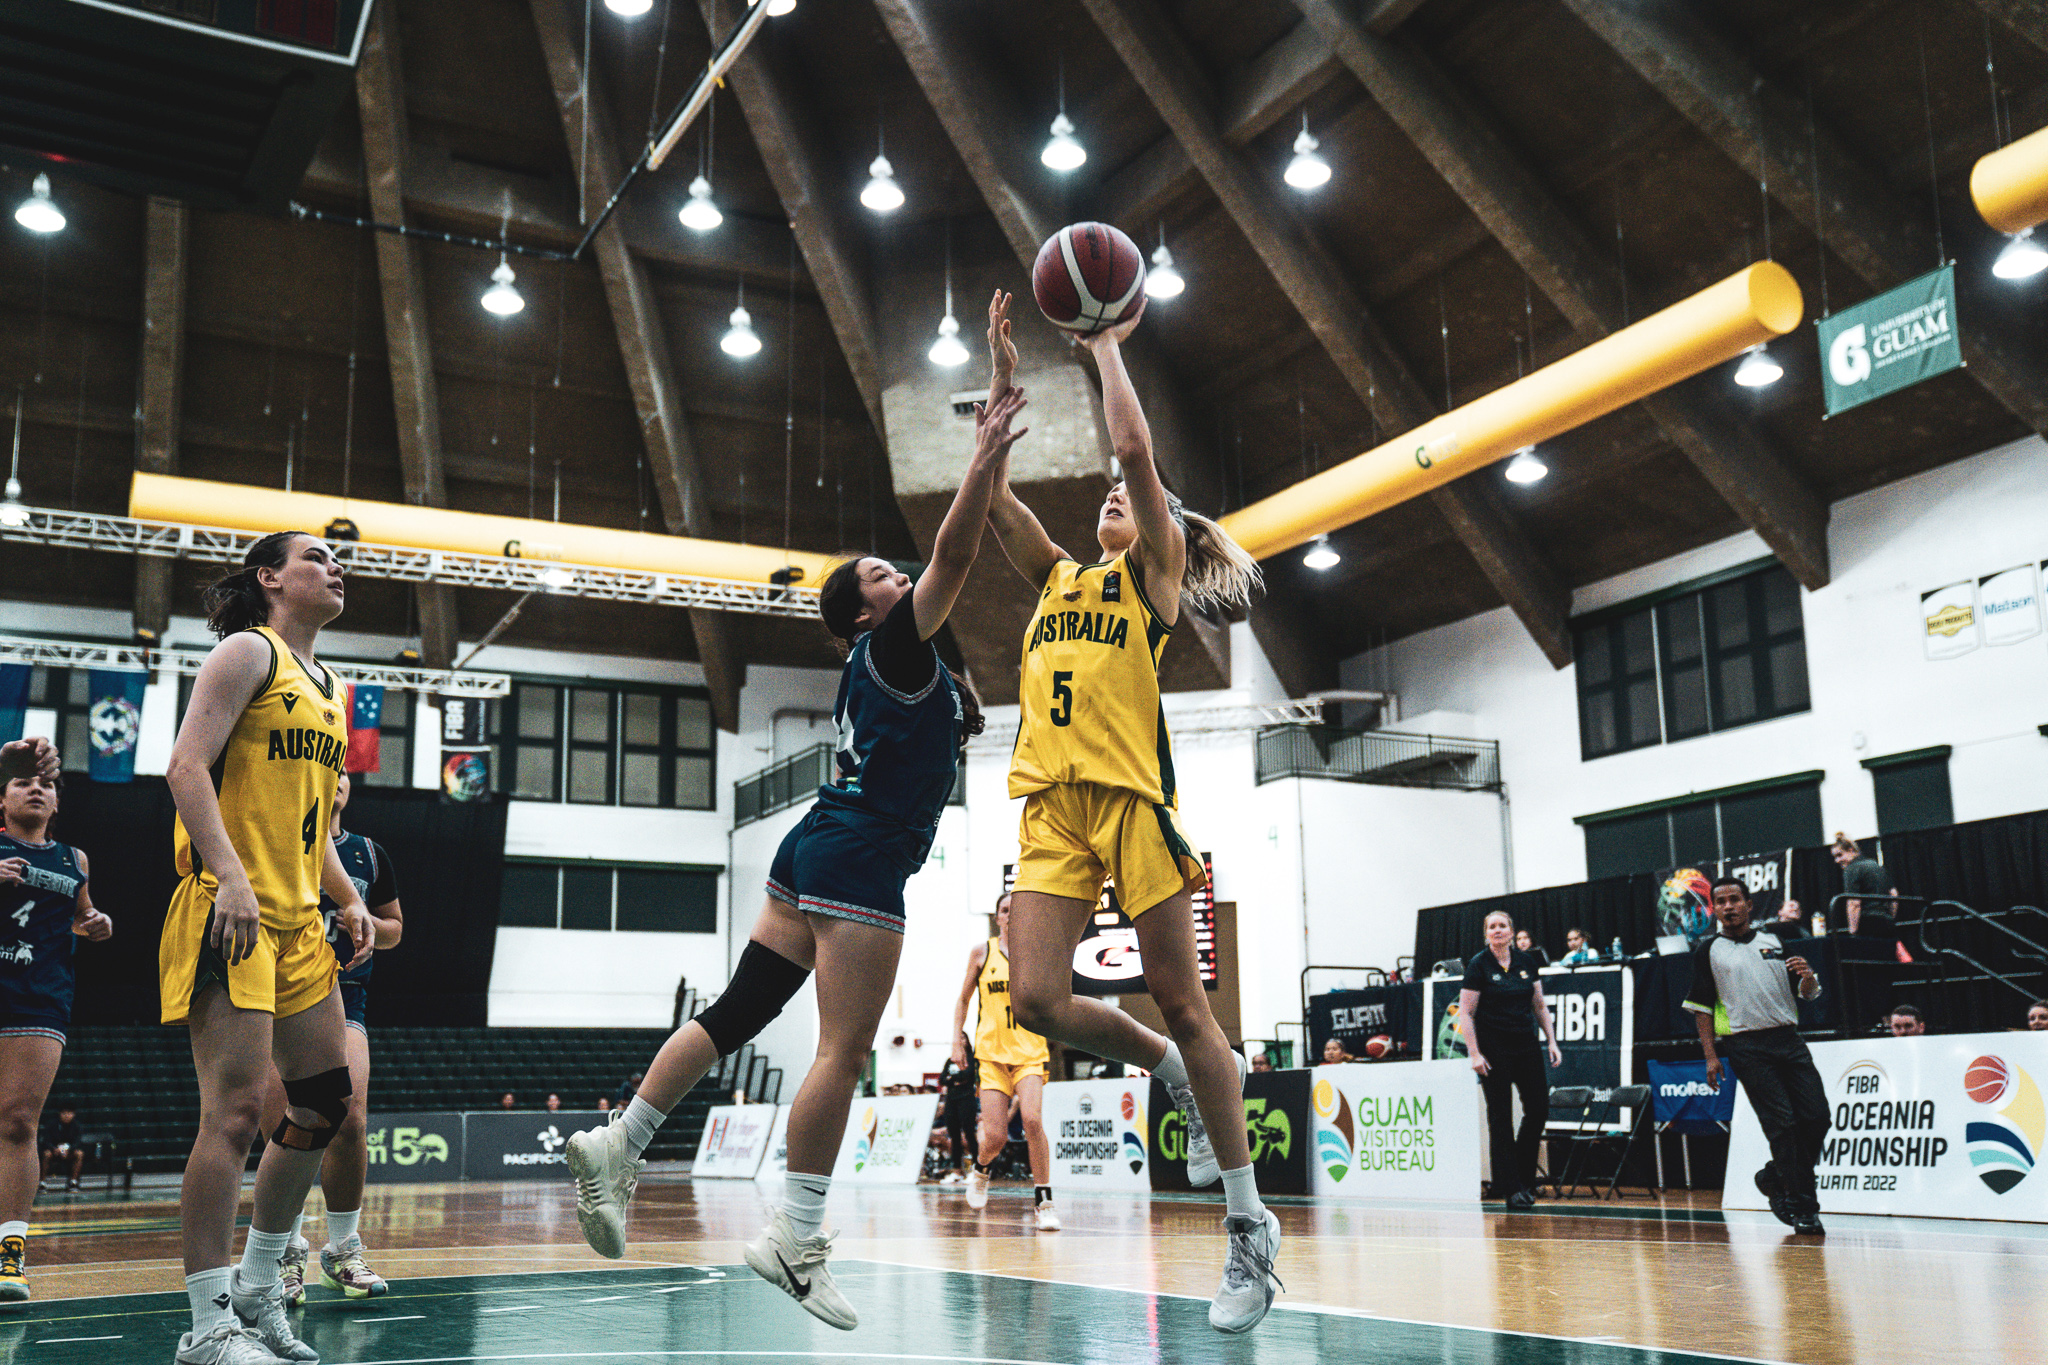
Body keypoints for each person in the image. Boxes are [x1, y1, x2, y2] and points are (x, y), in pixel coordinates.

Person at [556, 378, 1028, 1333]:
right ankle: (795, 1237)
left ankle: (622, 1139)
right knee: (842, 1051)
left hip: (813, 845)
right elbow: (956, 551)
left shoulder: (893, 667)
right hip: (860, 859)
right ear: (864, 615)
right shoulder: (894, 647)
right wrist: (984, 455)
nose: (900, 576)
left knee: (736, 1011)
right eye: (883, 576)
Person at [981, 292, 1279, 1335]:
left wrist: (1105, 348)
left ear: (1162, 531)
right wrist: (998, 399)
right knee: (1035, 1000)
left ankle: (1248, 1227)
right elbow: (996, 508)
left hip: (1132, 806)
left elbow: (1137, 451)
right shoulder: (1057, 578)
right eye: (1105, 494)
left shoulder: (1149, 582)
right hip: (1051, 811)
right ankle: (1171, 1072)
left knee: (1186, 1002)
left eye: (1131, 497)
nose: (1114, 493)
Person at [161, 531, 373, 1365]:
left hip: (298, 924)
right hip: (232, 911)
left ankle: (257, 1285)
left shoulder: (331, 689)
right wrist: (231, 876)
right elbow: (186, 767)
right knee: (236, 1114)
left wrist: (348, 897)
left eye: (336, 558)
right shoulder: (248, 653)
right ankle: (209, 1325)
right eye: (316, 556)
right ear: (271, 577)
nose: (335, 565)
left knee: (322, 1105)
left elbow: (309, 823)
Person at [264, 770, 404, 1306]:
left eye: (344, 771)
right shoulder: (278, 834)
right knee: (285, 1125)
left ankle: (342, 1249)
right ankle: (285, 1251)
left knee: (351, 1120)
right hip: (281, 992)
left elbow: (394, 929)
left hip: (346, 995)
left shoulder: (369, 854)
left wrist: (365, 922)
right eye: (331, 769)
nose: (338, 778)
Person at [0, 736, 108, 1303]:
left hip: (40, 997)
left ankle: (10, 1252)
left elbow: (79, 915)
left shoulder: (74, 859)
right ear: (2, 800)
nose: (36, 789)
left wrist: (95, 922)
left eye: (45, 784)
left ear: (58, 802)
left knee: (19, 1121)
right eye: (22, 783)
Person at [1685, 877, 1828, 1238]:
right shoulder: (1708, 950)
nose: (1728, 906)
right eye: (1721, 902)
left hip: (1789, 1040)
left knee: (1817, 1118)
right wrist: (1710, 1056)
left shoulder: (1774, 942)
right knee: (1783, 1126)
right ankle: (1803, 1207)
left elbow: (1808, 993)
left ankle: (1775, 1176)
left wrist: (1809, 978)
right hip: (1746, 1046)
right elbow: (1701, 1007)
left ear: (1749, 905)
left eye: (1735, 899)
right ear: (1714, 910)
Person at [950, 892, 1059, 1231]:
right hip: (992, 1055)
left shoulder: (1037, 954)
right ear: (997, 917)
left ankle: (1044, 1202)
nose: (1011, 914)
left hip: (1030, 1052)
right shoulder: (982, 953)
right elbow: (963, 1000)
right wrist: (956, 1039)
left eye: (1016, 910)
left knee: (1033, 1120)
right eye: (1005, 909)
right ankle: (982, 1170)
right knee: (995, 1136)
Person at [1458, 911, 1561, 1210]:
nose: (1498, 930)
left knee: (1538, 1109)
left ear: (1512, 932)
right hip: (1493, 1048)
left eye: (1502, 926)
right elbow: (1466, 1012)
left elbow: (1539, 1006)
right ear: (1486, 934)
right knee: (1500, 1116)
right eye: (1492, 927)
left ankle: (1522, 1178)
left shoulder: (1526, 962)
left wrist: (1552, 1041)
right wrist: (1474, 1053)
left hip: (1525, 1045)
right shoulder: (1478, 965)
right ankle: (1512, 1188)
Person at [1832, 834, 1897, 938]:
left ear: (1851, 850)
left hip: (1867, 923)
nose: (1837, 860)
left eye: (1840, 855)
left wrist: (1853, 930)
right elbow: (1894, 895)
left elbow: (1854, 903)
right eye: (1835, 857)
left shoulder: (1851, 869)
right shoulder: (1876, 865)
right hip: (1887, 922)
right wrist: (1890, 917)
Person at [936, 1051, 977, 1184]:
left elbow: (968, 1075)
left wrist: (952, 1079)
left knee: (969, 1133)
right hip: (951, 1100)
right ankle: (956, 1171)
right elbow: (942, 1079)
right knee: (954, 1136)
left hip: (966, 1099)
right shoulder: (950, 1061)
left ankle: (976, 1170)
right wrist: (956, 1079)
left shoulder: (971, 1060)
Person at [38, 1106, 84, 1193]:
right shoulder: (51, 1124)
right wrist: (54, 1148)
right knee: (46, 1154)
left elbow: (78, 1142)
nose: (66, 1116)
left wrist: (69, 1150)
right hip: (54, 1151)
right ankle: (42, 1182)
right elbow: (46, 1140)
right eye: (64, 1113)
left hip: (69, 1152)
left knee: (79, 1154)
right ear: (60, 1114)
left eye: (69, 1113)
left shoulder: (77, 1126)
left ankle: (73, 1182)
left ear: (73, 1114)